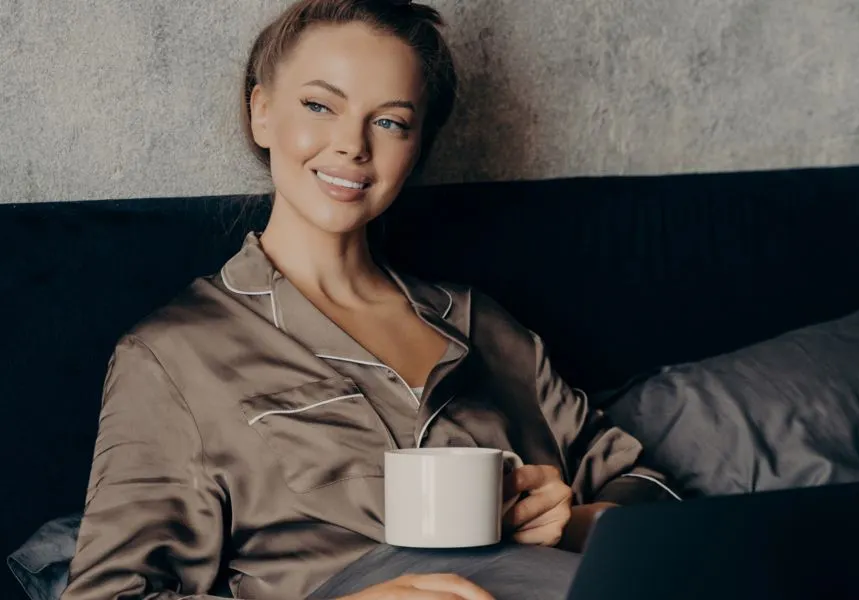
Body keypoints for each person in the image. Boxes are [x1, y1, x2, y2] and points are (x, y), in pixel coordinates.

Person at [61, 1, 678, 598]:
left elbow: (652, 490)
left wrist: (568, 522)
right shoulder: (173, 357)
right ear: (262, 112)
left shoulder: (483, 327)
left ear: (415, 148)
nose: (353, 145)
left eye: (390, 121)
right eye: (319, 105)